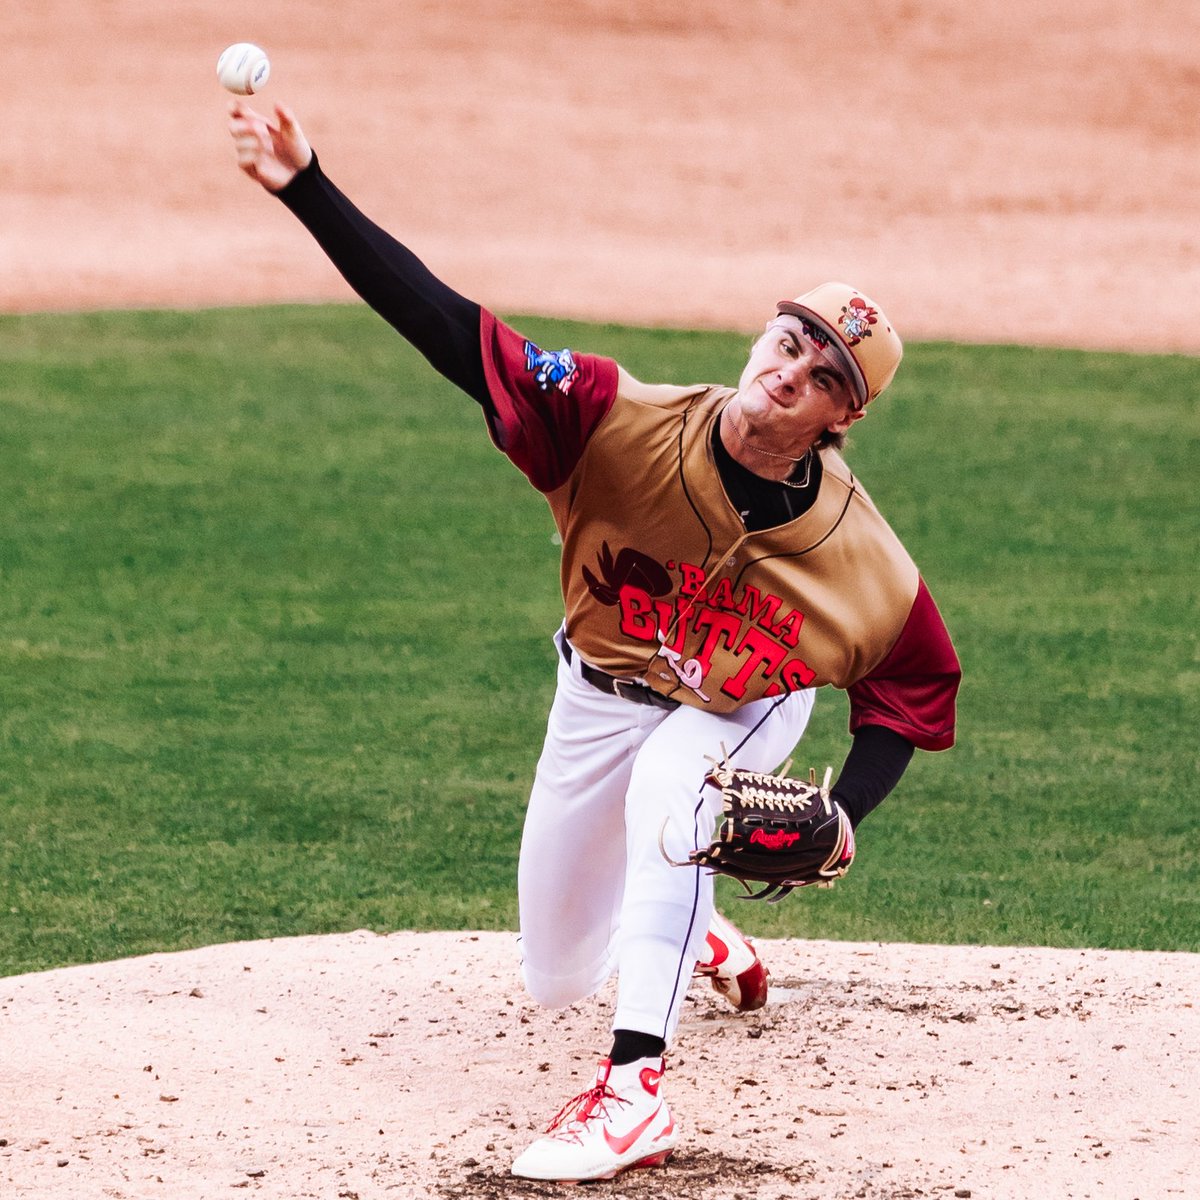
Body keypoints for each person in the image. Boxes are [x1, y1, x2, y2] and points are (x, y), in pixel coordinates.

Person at [226, 100, 961, 1184]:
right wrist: (307, 186)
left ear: (841, 418)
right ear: (764, 338)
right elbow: (451, 330)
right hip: (596, 692)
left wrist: (843, 815)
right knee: (557, 971)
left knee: (673, 795)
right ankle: (691, 922)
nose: (792, 371)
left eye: (825, 376)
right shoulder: (616, 418)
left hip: (743, 703)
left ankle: (632, 1093)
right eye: (791, 341)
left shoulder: (861, 556)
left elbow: (916, 686)